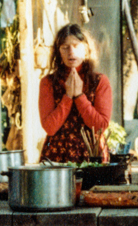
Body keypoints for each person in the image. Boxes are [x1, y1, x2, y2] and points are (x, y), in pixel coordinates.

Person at [39, 23, 112, 163]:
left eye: (76, 46)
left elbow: (100, 127)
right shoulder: (48, 82)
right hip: (57, 155)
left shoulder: (100, 81)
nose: (71, 52)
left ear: (86, 49)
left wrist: (79, 97)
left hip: (92, 155)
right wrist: (67, 97)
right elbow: (50, 128)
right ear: (58, 52)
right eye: (65, 47)